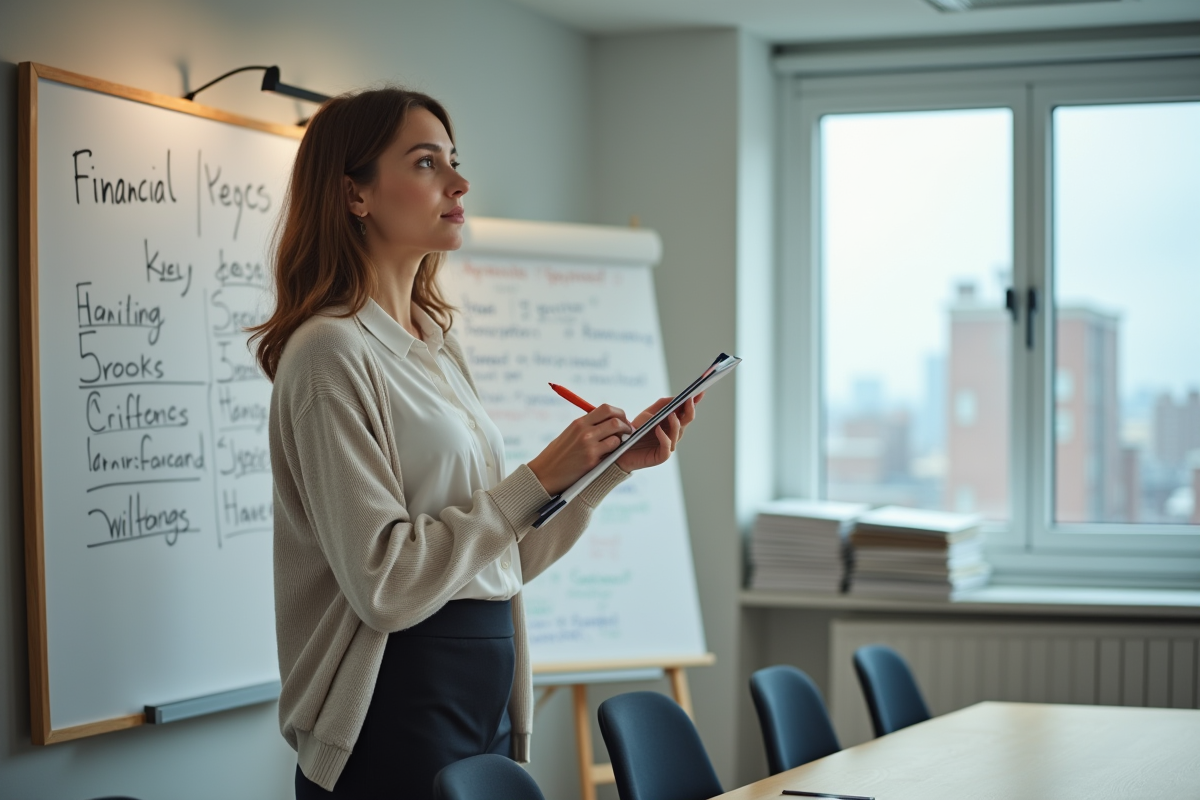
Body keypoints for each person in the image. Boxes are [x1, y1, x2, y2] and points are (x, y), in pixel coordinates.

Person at [251, 87, 701, 800]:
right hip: (393, 698)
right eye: (427, 163)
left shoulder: (437, 346)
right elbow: (388, 584)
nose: (459, 184)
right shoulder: (330, 354)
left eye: (454, 162)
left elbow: (504, 560)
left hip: (479, 690)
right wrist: (535, 475)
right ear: (354, 194)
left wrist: (600, 473)